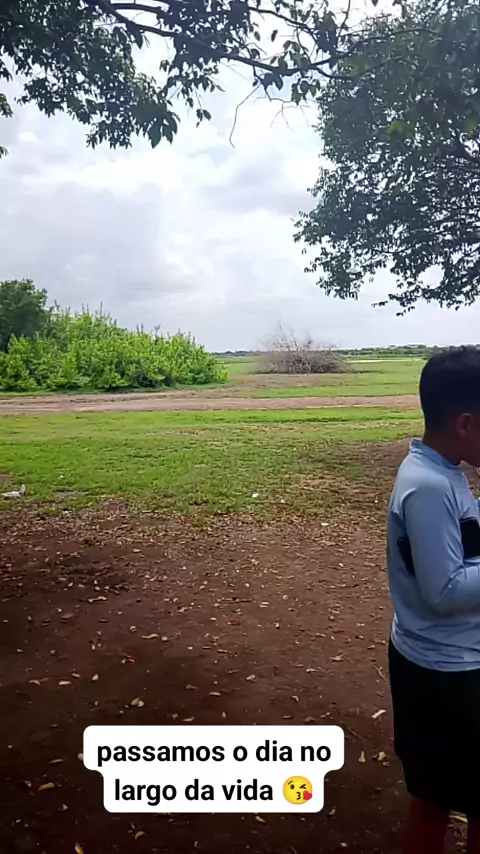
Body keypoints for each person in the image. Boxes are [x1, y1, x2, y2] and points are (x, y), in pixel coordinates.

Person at [387, 346, 480, 854]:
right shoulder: (427, 486)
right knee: (436, 799)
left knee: (435, 795)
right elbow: (443, 591)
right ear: (465, 423)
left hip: (442, 662)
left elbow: (461, 541)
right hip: (447, 673)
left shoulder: (444, 471)